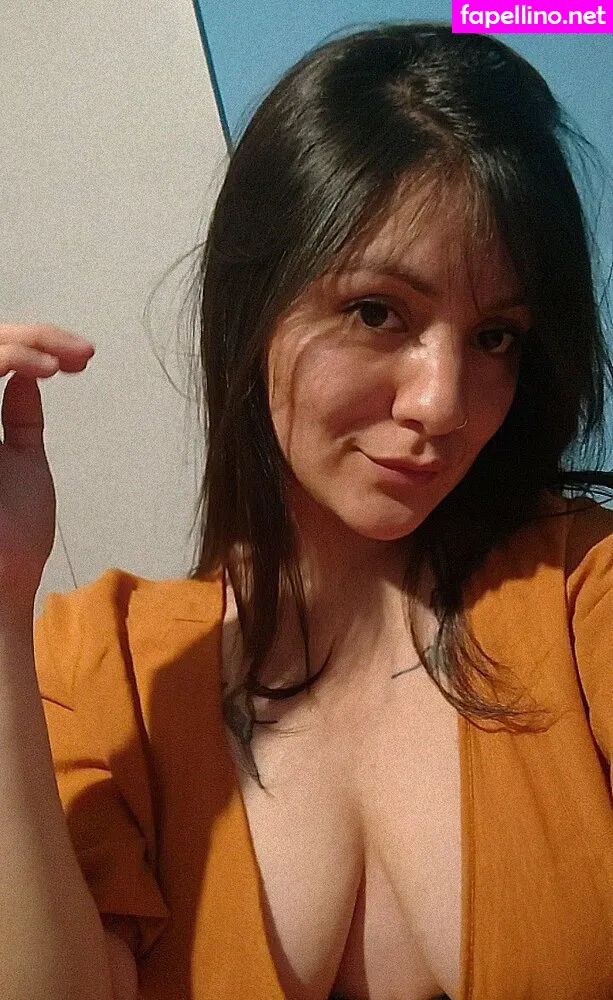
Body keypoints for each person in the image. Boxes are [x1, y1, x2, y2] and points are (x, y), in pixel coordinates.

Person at [1, 20, 612, 1000]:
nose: (443, 405)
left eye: (495, 336)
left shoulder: (579, 590)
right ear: (255, 304)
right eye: (377, 312)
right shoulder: (102, 661)